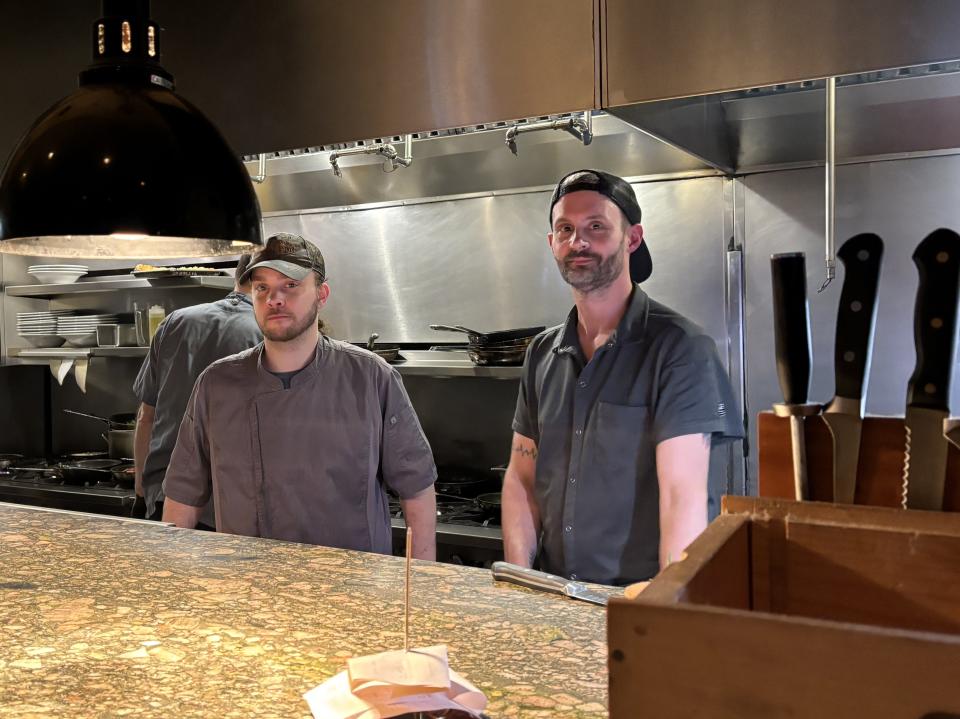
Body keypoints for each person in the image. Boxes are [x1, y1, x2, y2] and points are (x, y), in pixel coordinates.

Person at [501, 169, 743, 585]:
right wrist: (521, 583)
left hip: (638, 600)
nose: (578, 242)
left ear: (632, 238)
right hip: (553, 595)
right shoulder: (542, 354)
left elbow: (682, 499)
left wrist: (661, 611)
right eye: (565, 229)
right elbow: (521, 478)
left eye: (596, 227)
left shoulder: (680, 349)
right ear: (551, 244)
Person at [161, 233, 438, 559]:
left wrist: (421, 587)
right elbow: (183, 499)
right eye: (262, 288)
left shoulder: (371, 378)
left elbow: (417, 492)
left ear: (321, 294)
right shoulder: (216, 384)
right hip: (248, 591)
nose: (274, 299)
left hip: (354, 593)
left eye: (290, 285)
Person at [132, 253, 263, 525]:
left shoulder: (174, 322)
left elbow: (146, 416)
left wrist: (141, 492)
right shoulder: (270, 333)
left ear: (237, 276)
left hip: (164, 497)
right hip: (230, 509)